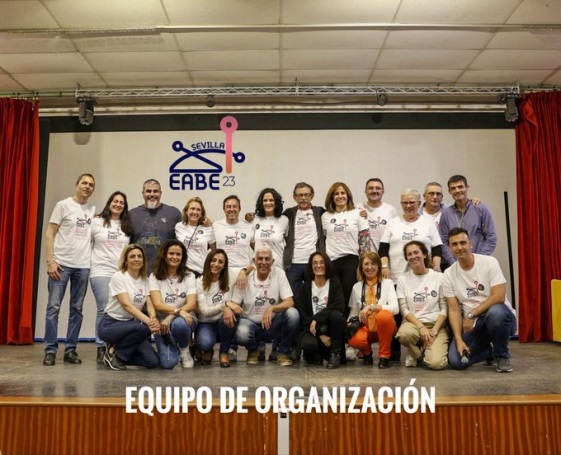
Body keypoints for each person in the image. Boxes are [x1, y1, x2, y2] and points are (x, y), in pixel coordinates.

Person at [442, 228, 516, 373]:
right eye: (454, 244)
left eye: (463, 243)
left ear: (470, 243)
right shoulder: (448, 274)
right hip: (474, 327)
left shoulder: (489, 262)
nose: (459, 247)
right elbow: (454, 310)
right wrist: (458, 339)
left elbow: (499, 296)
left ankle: (502, 356)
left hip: (501, 319)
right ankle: (489, 351)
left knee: (496, 313)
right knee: (456, 361)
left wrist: (471, 314)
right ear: (450, 248)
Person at [43, 173, 96, 366]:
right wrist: (50, 261)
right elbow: (50, 233)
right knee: (53, 308)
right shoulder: (63, 205)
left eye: (91, 185)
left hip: (83, 266)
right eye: (84, 183)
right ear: (76, 185)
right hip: (61, 265)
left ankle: (70, 350)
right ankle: (50, 350)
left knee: (77, 309)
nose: (87, 186)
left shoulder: (92, 210)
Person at [229, 247, 299, 366]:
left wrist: (272, 308)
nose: (263, 262)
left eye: (267, 259)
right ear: (254, 261)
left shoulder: (279, 273)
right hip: (250, 321)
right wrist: (228, 305)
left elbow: (289, 301)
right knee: (242, 333)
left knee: (293, 314)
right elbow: (234, 302)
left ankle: (283, 352)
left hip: (272, 323)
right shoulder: (245, 277)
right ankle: (253, 350)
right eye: (260, 259)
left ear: (272, 261)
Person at [98, 244, 160, 370]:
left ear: (143, 260)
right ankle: (115, 354)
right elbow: (126, 305)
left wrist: (153, 318)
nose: (136, 259)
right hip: (110, 325)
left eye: (139, 256)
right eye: (132, 256)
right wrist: (148, 321)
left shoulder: (146, 280)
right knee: (144, 328)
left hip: (131, 326)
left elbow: (150, 304)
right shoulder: (119, 277)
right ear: (126, 261)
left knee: (153, 362)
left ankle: (116, 354)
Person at [90, 191, 133, 364]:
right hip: (100, 270)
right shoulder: (96, 222)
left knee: (120, 310)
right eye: (115, 201)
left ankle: (113, 347)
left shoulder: (127, 226)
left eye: (122, 202)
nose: (118, 204)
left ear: (125, 207)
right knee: (103, 308)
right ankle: (101, 347)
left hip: (121, 273)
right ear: (109, 203)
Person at [213, 195, 255, 362]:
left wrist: (245, 271)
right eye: (228, 206)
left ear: (239, 208)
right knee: (229, 311)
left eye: (234, 206)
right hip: (224, 276)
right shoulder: (216, 226)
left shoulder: (249, 226)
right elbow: (213, 251)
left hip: (245, 275)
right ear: (224, 209)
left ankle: (253, 347)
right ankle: (230, 348)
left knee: (245, 312)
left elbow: (257, 255)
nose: (231, 209)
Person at [395, 241, 448, 370]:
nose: (413, 256)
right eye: (409, 254)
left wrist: (434, 332)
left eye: (416, 252)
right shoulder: (402, 279)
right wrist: (421, 327)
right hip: (414, 324)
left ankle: (426, 348)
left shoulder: (439, 277)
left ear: (424, 254)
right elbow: (403, 309)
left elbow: (444, 308)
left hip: (436, 325)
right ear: (407, 258)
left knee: (436, 364)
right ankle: (417, 355)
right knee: (404, 334)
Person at [322, 182, 370, 316]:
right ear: (332, 197)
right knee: (335, 297)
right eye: (336, 194)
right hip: (332, 261)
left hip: (351, 260)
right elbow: (324, 237)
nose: (340, 196)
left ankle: (348, 323)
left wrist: (363, 263)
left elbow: (364, 240)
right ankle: (337, 323)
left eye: (343, 193)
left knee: (349, 294)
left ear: (348, 195)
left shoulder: (358, 213)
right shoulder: (325, 216)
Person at [149, 240, 198, 369]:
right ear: (164, 255)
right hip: (162, 323)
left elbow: (191, 304)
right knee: (168, 363)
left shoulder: (190, 276)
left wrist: (171, 316)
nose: (174, 257)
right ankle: (172, 345)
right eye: (171, 253)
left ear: (183, 257)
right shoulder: (154, 276)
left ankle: (184, 349)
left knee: (180, 324)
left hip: (185, 319)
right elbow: (157, 305)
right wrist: (178, 311)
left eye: (178, 254)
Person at [379, 188, 443, 282]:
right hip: (397, 277)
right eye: (404, 203)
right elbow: (383, 248)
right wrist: (384, 267)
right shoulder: (392, 223)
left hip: (424, 278)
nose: (408, 205)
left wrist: (436, 266)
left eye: (412, 202)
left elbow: (437, 248)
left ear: (419, 203)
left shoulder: (428, 223)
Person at [347, 252, 398, 368]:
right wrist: (349, 323)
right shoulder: (356, 287)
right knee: (353, 338)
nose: (369, 267)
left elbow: (395, 309)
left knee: (384, 315)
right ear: (361, 267)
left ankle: (384, 356)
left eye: (373, 264)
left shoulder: (387, 283)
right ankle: (367, 353)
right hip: (366, 326)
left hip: (384, 327)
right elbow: (353, 312)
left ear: (379, 266)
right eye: (366, 264)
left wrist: (371, 307)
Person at [296, 251, 346, 369]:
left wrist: (317, 318)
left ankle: (335, 354)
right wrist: (320, 334)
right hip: (313, 330)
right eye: (315, 263)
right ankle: (315, 354)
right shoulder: (304, 288)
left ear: (327, 264)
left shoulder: (334, 284)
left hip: (331, 330)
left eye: (322, 262)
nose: (318, 266)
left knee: (337, 316)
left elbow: (339, 307)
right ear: (311, 266)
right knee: (308, 344)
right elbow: (303, 316)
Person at [439, 175, 497, 267]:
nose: (457, 190)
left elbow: (491, 238)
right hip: (456, 266)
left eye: (460, 187)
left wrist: (478, 260)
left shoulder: (481, 209)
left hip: (480, 265)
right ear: (449, 191)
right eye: (453, 188)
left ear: (467, 188)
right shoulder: (446, 214)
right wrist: (453, 263)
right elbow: (443, 242)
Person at [283, 182, 326, 296]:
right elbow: (272, 219)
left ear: (312, 196)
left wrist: (360, 211)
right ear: (294, 197)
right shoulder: (288, 213)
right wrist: (251, 218)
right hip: (293, 263)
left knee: (314, 296)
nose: (303, 198)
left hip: (313, 263)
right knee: (292, 297)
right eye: (300, 195)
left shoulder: (320, 212)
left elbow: (336, 214)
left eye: (306, 195)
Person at [130, 178, 181, 273]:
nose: (152, 194)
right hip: (138, 271)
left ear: (160, 193)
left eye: (156, 191)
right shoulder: (132, 214)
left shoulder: (174, 213)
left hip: (165, 272)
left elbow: (188, 231)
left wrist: (206, 223)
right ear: (143, 194)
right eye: (148, 191)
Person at [196, 249, 237, 368]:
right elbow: (204, 311)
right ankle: (207, 350)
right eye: (213, 260)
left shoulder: (231, 276)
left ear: (224, 266)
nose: (216, 264)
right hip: (206, 322)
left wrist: (243, 273)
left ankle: (224, 352)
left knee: (230, 317)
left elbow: (250, 268)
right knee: (205, 343)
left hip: (222, 320)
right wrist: (224, 306)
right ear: (208, 261)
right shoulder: (199, 282)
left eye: (220, 262)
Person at [175, 197, 216, 277]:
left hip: (201, 272)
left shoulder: (208, 228)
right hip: (183, 272)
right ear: (186, 211)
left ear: (201, 213)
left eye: (198, 210)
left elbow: (214, 250)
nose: (195, 212)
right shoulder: (179, 227)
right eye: (192, 209)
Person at [356, 178, 398, 253]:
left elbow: (395, 236)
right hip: (363, 257)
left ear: (383, 191)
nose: (374, 191)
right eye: (371, 188)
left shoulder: (391, 210)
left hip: (384, 256)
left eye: (378, 188)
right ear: (365, 191)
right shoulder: (357, 208)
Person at [252, 188, 289, 270]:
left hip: (278, 266)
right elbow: (252, 243)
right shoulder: (255, 219)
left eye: (271, 200)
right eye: (265, 200)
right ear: (261, 203)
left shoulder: (284, 220)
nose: (268, 203)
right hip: (259, 267)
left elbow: (289, 243)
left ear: (276, 202)